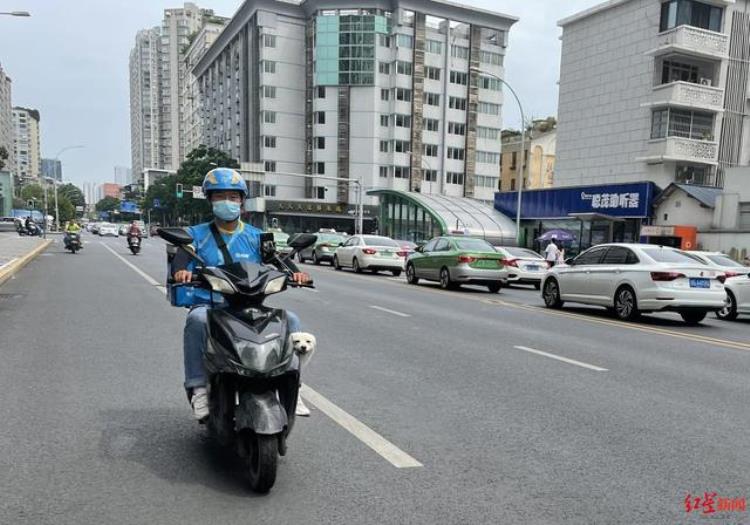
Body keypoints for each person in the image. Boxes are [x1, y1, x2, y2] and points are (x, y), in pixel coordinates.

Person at [172, 168, 314, 421]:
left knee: (290, 320)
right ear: (210, 200)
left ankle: (293, 385)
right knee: (196, 320)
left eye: (233, 197)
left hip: (251, 306)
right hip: (213, 306)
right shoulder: (196, 235)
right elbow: (182, 260)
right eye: (220, 196)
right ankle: (198, 389)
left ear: (241, 201)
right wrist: (182, 272)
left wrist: (297, 274)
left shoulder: (257, 237)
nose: (227, 202)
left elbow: (279, 262)